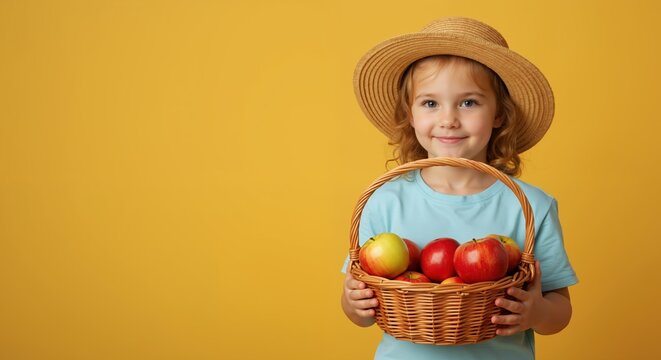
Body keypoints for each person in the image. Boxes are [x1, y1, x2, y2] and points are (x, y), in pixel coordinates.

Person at [341, 17, 578, 359]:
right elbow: (358, 310)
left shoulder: (530, 205)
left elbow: (559, 312)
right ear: (410, 114)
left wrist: (536, 311)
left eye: (469, 102)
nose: (449, 119)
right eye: (430, 103)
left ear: (499, 114)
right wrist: (353, 304)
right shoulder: (384, 201)